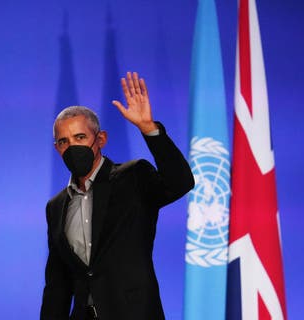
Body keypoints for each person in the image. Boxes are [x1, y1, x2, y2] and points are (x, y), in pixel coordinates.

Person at [40, 72, 194, 320]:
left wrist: (150, 130)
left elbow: (181, 182)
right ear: (57, 148)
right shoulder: (56, 207)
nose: (72, 147)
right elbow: (57, 283)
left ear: (100, 139)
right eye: (63, 141)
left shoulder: (133, 177)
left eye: (80, 137)